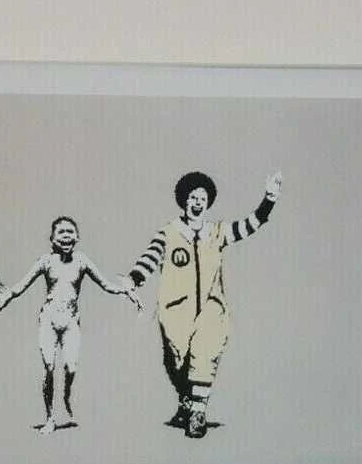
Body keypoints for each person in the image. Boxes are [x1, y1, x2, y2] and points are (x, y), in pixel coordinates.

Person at [118, 170, 282, 438]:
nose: (197, 202)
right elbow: (150, 257)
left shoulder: (217, 232)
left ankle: (198, 412)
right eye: (193, 197)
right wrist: (133, 279)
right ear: (184, 200)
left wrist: (269, 199)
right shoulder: (169, 232)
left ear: (208, 202)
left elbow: (251, 224)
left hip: (211, 307)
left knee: (205, 352)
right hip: (175, 310)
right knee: (175, 362)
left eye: (202, 198)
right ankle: (186, 401)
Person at [0, 216, 142, 434]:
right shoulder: (45, 261)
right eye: (61, 232)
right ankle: (50, 418)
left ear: (77, 237)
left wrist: (127, 291)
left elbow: (106, 285)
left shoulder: (82, 260)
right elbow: (19, 288)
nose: (66, 236)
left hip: (71, 321)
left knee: (71, 367)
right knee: (49, 367)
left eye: (70, 232)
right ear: (52, 238)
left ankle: (66, 394)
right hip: (48, 320)